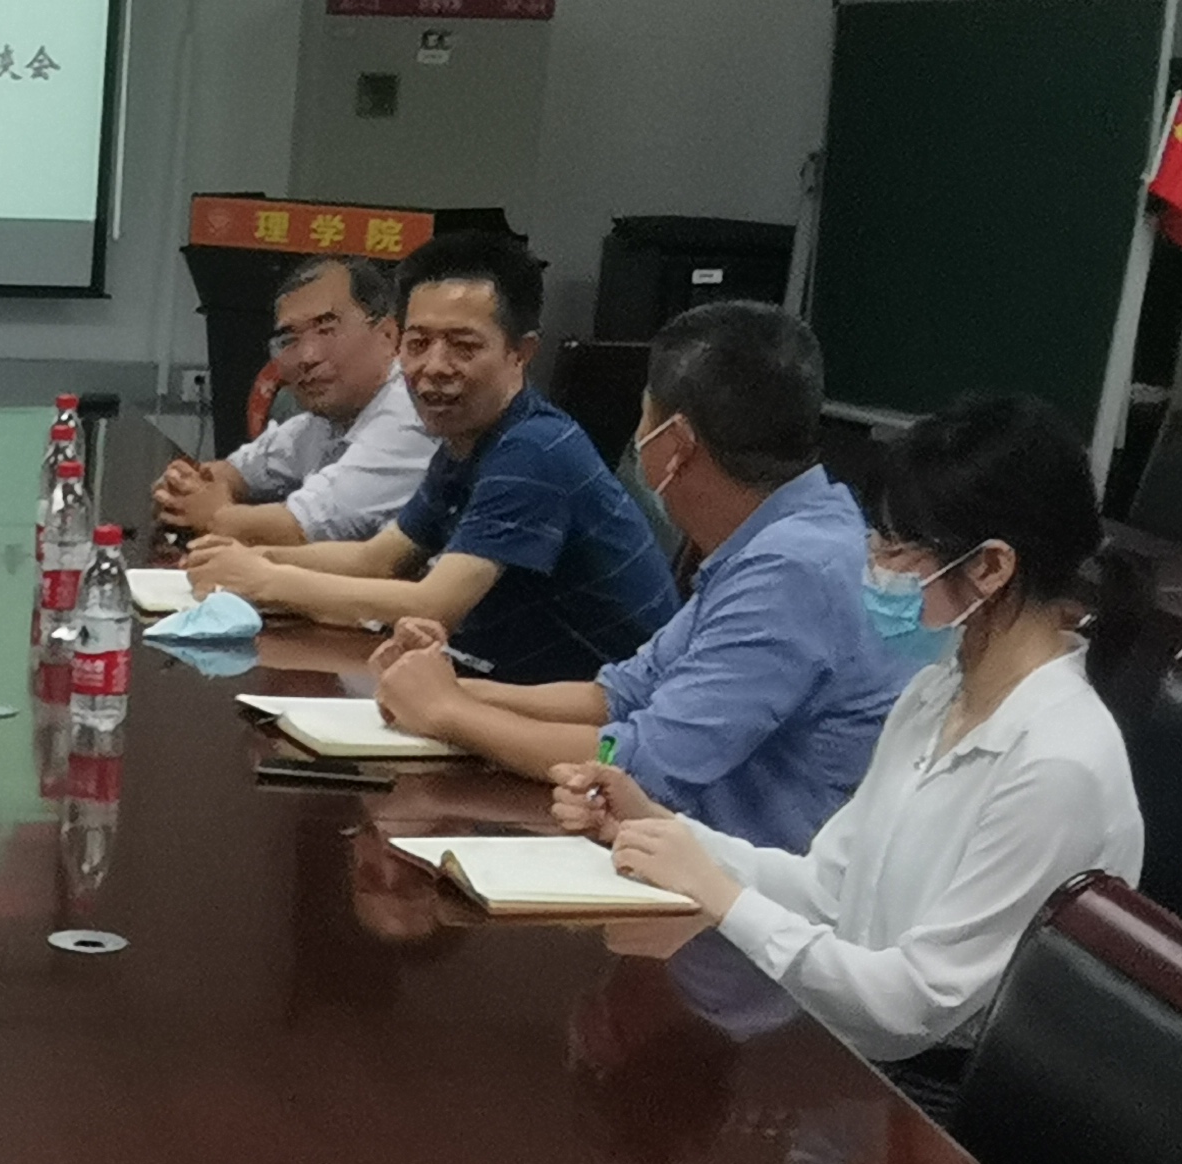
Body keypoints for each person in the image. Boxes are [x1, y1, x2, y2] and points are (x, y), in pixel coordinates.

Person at [549, 391, 1148, 1076]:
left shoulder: (1057, 764)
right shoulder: (936, 694)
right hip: (861, 1049)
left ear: (991, 567)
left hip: (949, 1094)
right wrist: (658, 828)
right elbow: (831, 889)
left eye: (897, 548)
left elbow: (910, 1009)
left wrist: (721, 898)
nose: (875, 568)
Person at [363, 300, 914, 852]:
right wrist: (445, 685)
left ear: (676, 444)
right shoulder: (778, 536)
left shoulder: (794, 569)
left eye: (644, 415)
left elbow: (644, 765)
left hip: (752, 881)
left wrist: (450, 713)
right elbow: (619, 695)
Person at [186, 231, 676, 683]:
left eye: (463, 346)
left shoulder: (534, 450)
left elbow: (434, 603)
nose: (434, 367)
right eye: (418, 344)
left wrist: (269, 580)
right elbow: (378, 559)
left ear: (521, 352)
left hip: (602, 720)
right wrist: (252, 559)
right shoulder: (462, 440)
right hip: (505, 685)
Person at [148, 254, 433, 546]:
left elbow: (300, 528)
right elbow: (237, 471)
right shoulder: (325, 419)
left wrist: (212, 513)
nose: (307, 357)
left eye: (327, 330)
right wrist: (185, 486)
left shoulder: (413, 412)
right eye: (289, 340)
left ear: (387, 336)